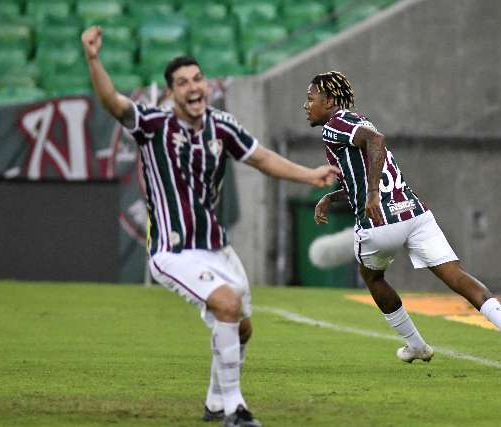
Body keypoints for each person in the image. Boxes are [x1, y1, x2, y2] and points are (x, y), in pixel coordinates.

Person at [81, 26, 339, 427]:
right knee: (227, 305)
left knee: (243, 329)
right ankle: (235, 410)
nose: (193, 87)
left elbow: (263, 159)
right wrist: (94, 59)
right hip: (174, 250)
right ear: (170, 94)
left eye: (198, 79)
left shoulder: (222, 126)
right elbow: (112, 102)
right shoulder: (153, 126)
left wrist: (309, 175)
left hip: (218, 248)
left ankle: (215, 403)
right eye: (182, 83)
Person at [305, 70, 501, 370]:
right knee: (456, 275)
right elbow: (364, 170)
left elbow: (376, 142)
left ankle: (417, 345)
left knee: (373, 278)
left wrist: (374, 193)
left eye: (310, 98)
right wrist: (332, 197)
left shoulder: (335, 126)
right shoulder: (359, 119)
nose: (306, 105)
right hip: (415, 213)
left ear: (327, 101)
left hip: (381, 220)